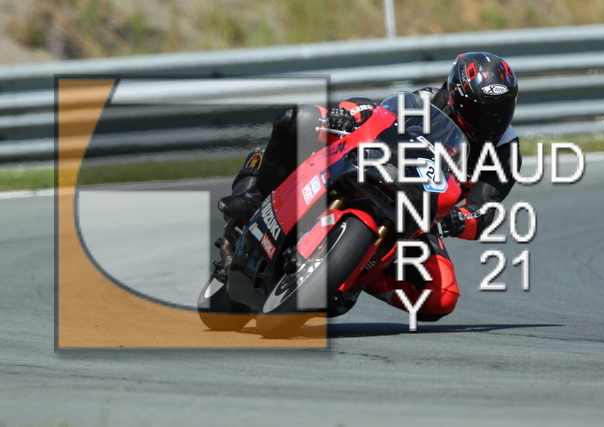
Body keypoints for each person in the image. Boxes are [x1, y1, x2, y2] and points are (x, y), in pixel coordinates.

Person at [218, 52, 521, 322]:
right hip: (377, 166)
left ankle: (352, 272)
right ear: (456, 96)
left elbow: (485, 208)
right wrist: (347, 114)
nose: (492, 121)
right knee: (302, 118)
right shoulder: (429, 100)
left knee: (443, 296)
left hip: (421, 214)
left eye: (501, 110)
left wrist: (461, 219)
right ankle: (256, 194)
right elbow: (377, 111)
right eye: (482, 110)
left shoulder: (506, 152)